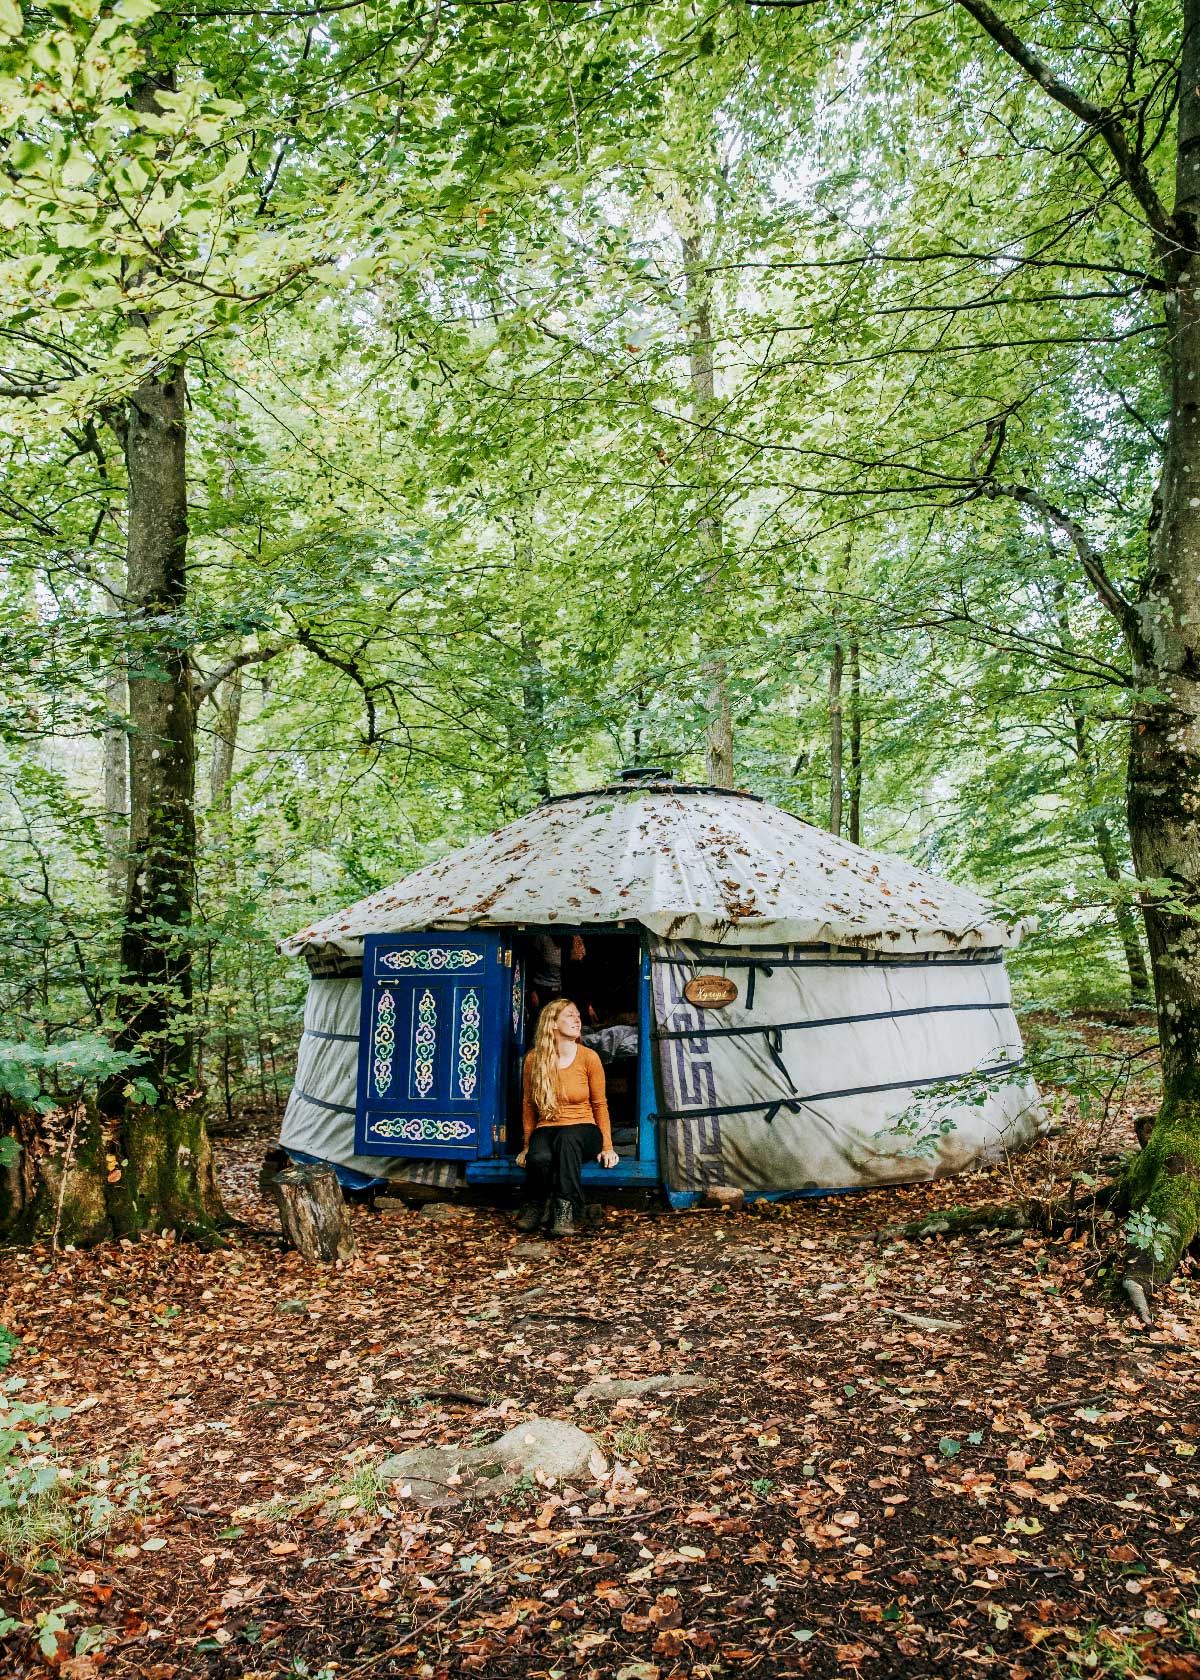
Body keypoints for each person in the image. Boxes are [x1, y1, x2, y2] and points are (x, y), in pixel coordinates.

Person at [515, 997, 619, 1237]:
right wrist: (527, 1146)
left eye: (578, 1016)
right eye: (570, 1015)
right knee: (539, 1157)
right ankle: (536, 1206)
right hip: (548, 1126)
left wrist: (607, 1146)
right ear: (552, 1023)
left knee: (568, 1139)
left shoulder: (589, 1057)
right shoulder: (534, 1059)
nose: (577, 1019)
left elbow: (600, 1104)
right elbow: (529, 1105)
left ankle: (565, 1209)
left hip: (584, 1129)